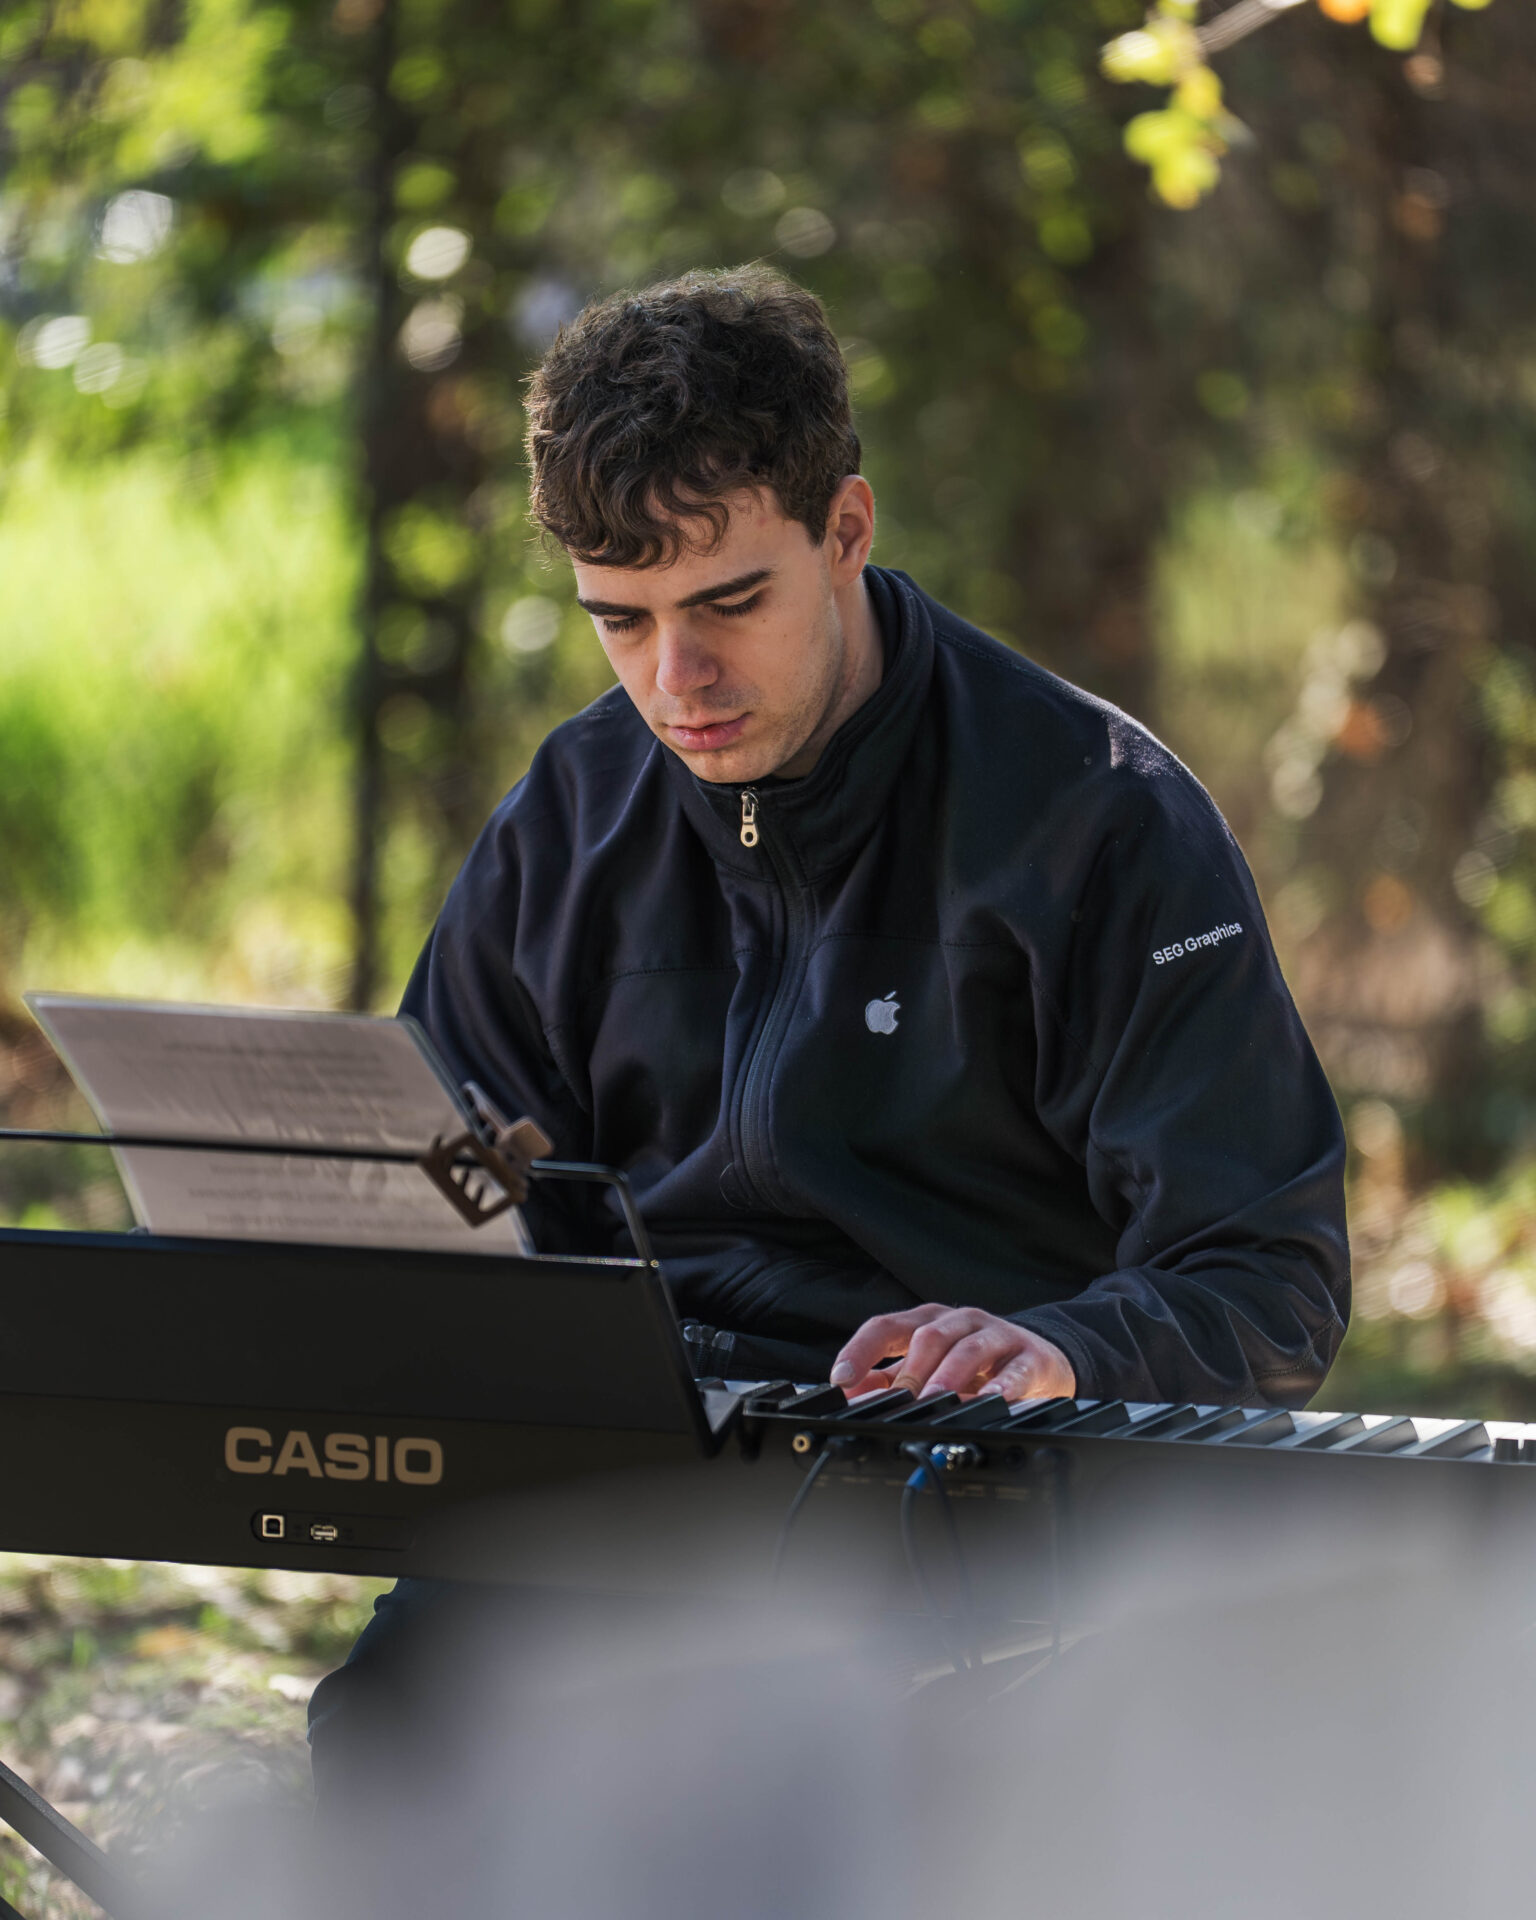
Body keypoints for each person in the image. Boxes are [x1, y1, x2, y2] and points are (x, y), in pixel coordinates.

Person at [308, 264, 1348, 1790]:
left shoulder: (1099, 821)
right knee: (395, 1746)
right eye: (620, 622)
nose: (677, 680)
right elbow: (459, 1185)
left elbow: (1269, 1272)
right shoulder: (571, 819)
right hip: (620, 1482)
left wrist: (1062, 1347)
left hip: (956, 1500)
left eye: (730, 603)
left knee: (778, 1799)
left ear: (846, 529)